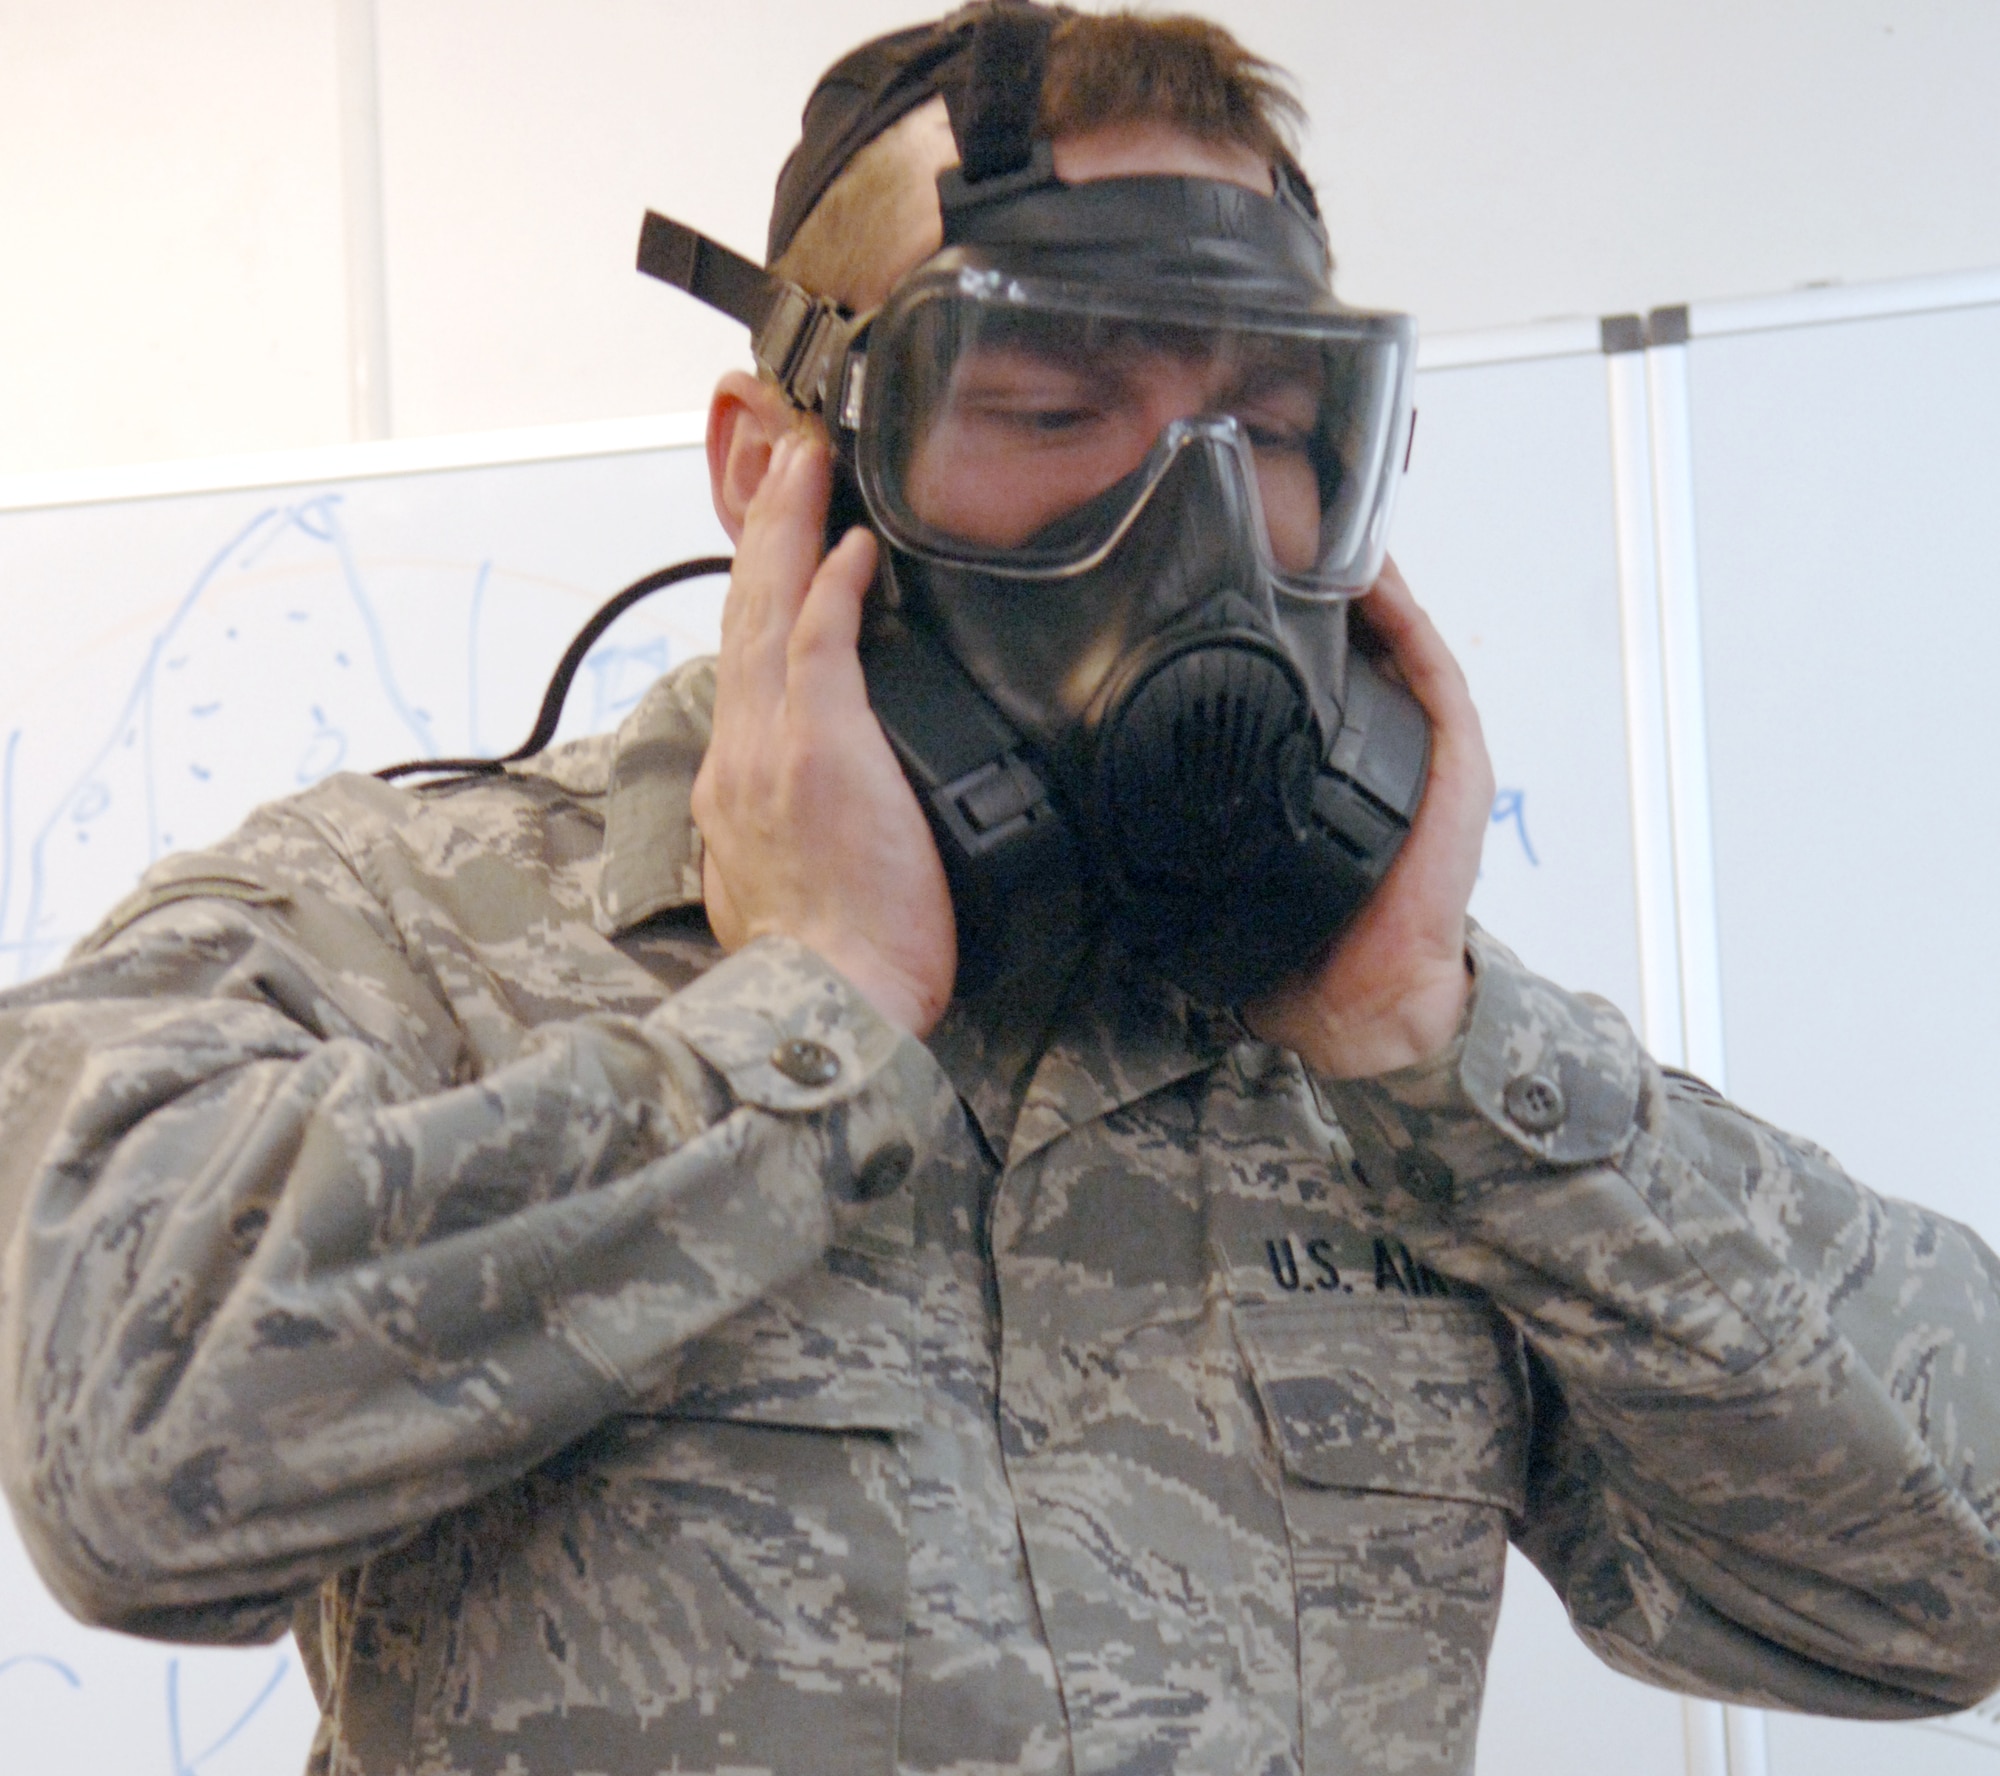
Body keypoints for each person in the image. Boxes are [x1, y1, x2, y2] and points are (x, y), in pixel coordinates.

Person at [3, 8, 1999, 1776]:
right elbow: (127, 1456)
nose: (1192, 521)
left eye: (1277, 435)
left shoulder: (1388, 1056)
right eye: (1048, 411)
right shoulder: (384, 928)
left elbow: (1947, 1588)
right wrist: (809, 1022)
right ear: (770, 461)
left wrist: (1450, 1054)